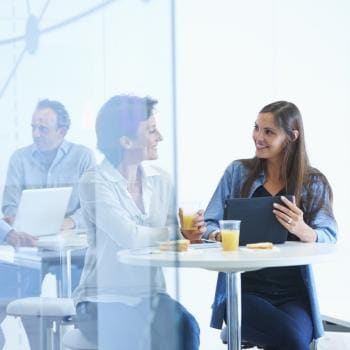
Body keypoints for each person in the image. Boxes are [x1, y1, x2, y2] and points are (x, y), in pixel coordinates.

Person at [204, 101, 337, 350]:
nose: (258, 137)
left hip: (293, 295)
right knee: (293, 342)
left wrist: (302, 229)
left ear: (291, 137)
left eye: (269, 132)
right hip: (244, 292)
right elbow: (208, 224)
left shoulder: (313, 182)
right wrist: (218, 234)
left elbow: (329, 235)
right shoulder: (237, 172)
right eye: (256, 128)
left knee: (291, 340)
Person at [73, 95, 201, 350]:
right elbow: (129, 237)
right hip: (100, 299)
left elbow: (174, 236)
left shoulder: (160, 180)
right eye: (151, 130)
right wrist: (177, 234)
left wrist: (189, 233)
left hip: (151, 295)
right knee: (141, 336)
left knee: (186, 327)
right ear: (126, 141)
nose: (160, 137)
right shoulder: (94, 182)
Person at [0, 99, 96, 350]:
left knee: (82, 306)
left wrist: (69, 221)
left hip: (74, 251)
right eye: (33, 127)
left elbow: (92, 208)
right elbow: (9, 208)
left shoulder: (83, 157)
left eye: (43, 128)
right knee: (15, 296)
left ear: (62, 132)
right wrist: (16, 222)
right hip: (30, 249)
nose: (36, 134)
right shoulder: (19, 159)